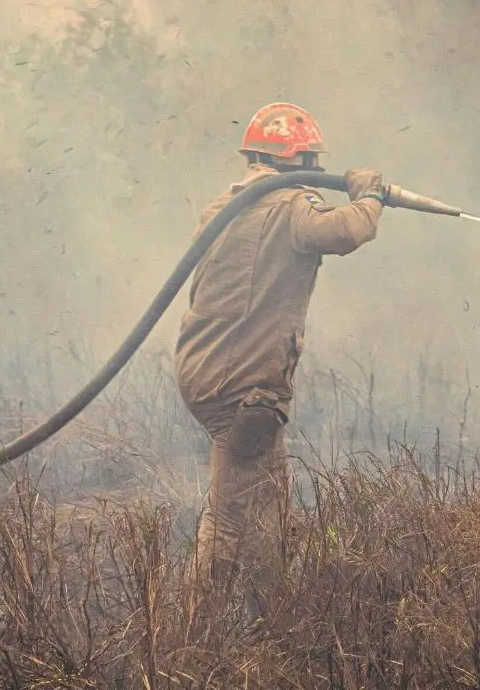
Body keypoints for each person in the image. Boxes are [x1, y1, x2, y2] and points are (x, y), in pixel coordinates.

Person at [175, 102, 385, 625]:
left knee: (271, 500)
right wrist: (371, 195)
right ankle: (193, 633)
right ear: (299, 161)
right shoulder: (292, 206)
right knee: (228, 517)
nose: (317, 168)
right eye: (312, 158)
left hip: (209, 373)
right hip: (244, 388)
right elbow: (343, 232)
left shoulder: (225, 204)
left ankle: (275, 614)